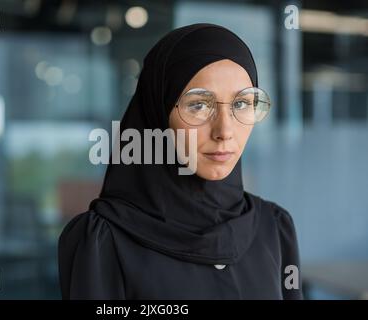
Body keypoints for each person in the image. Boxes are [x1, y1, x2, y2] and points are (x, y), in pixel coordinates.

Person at [58, 23, 303, 300]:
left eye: (241, 104)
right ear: (158, 114)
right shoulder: (105, 240)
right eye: (198, 105)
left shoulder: (274, 228)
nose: (224, 131)